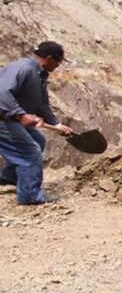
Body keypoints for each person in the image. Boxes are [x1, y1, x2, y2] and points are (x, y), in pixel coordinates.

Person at [0, 41, 74, 205]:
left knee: (38, 141)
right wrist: (20, 115)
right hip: (3, 119)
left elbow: (41, 105)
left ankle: (10, 177)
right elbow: (2, 93)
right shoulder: (23, 69)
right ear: (49, 58)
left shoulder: (39, 74)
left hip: (10, 118)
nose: (58, 66)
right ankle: (30, 196)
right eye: (58, 62)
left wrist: (56, 124)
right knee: (29, 152)